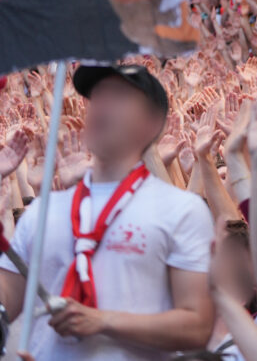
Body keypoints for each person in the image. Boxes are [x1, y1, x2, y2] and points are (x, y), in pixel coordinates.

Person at [0, 63, 214, 360]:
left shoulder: (181, 210)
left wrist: (103, 320)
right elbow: (7, 298)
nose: (101, 105)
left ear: (152, 124)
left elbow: (197, 326)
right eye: (97, 96)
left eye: (118, 96)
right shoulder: (43, 212)